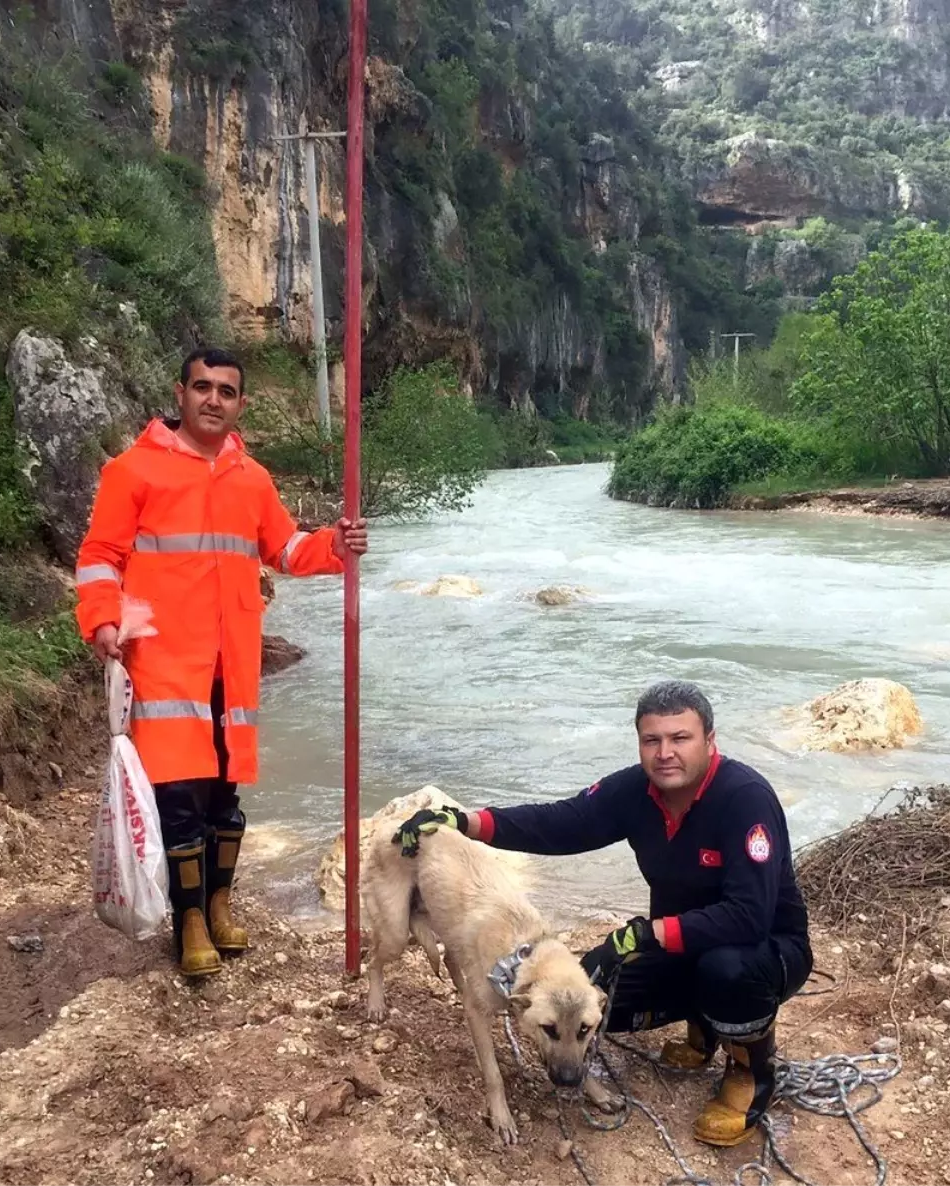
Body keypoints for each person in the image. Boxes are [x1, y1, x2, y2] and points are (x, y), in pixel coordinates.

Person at [392, 679, 812, 1148]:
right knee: (586, 994)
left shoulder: (744, 798)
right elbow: (561, 821)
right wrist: (465, 821)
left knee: (726, 971)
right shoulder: (638, 790)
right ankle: (705, 1030)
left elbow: (749, 916)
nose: (664, 753)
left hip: (767, 951)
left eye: (680, 738)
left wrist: (646, 935)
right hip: (679, 945)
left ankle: (750, 1070)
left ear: (710, 741)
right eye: (652, 740)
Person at [75, 346, 368, 979]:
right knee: (177, 794)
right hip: (161, 661)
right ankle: (189, 922)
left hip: (232, 664)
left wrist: (334, 545)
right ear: (179, 393)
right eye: (202, 387)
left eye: (226, 391)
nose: (213, 399)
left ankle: (219, 901)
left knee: (224, 794)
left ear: (240, 404)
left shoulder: (251, 479)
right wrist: (101, 619)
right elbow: (100, 555)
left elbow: (285, 548)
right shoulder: (133, 471)